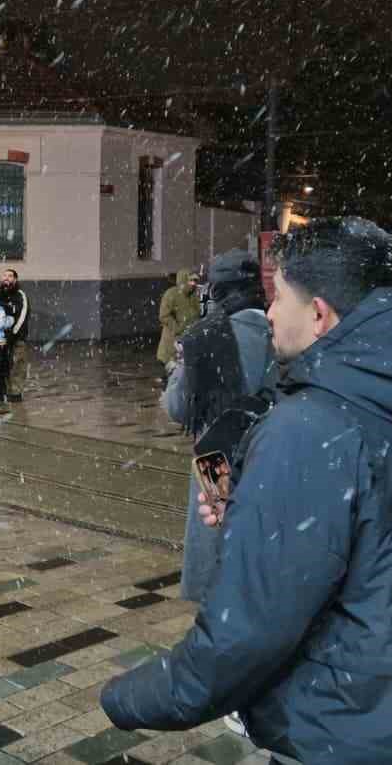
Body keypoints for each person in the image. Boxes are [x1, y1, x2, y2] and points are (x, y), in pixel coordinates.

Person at [100, 217, 392, 765]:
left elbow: (245, 636)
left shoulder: (309, 429)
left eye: (280, 297)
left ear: (320, 314)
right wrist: (264, 503)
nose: (269, 313)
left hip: (346, 729)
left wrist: (129, 697)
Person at [163, 249, 274, 609]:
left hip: (216, 460)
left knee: (217, 559)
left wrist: (177, 374)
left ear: (217, 291)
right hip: (273, 456)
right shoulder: (288, 328)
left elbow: (178, 408)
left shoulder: (204, 337)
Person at [156, 270, 199, 374]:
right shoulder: (171, 294)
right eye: (191, 281)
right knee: (173, 377)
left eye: (195, 281)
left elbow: (197, 314)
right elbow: (164, 316)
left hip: (186, 344)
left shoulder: (194, 296)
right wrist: (177, 328)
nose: (194, 284)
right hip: (171, 345)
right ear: (183, 281)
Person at [0, 269, 30, 401]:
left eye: (10, 276)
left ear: (15, 279)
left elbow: (23, 315)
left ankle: (16, 392)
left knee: (18, 363)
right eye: (5, 275)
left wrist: (13, 333)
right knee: (4, 364)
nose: (7, 278)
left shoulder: (20, 295)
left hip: (18, 338)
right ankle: (6, 390)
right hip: (2, 339)